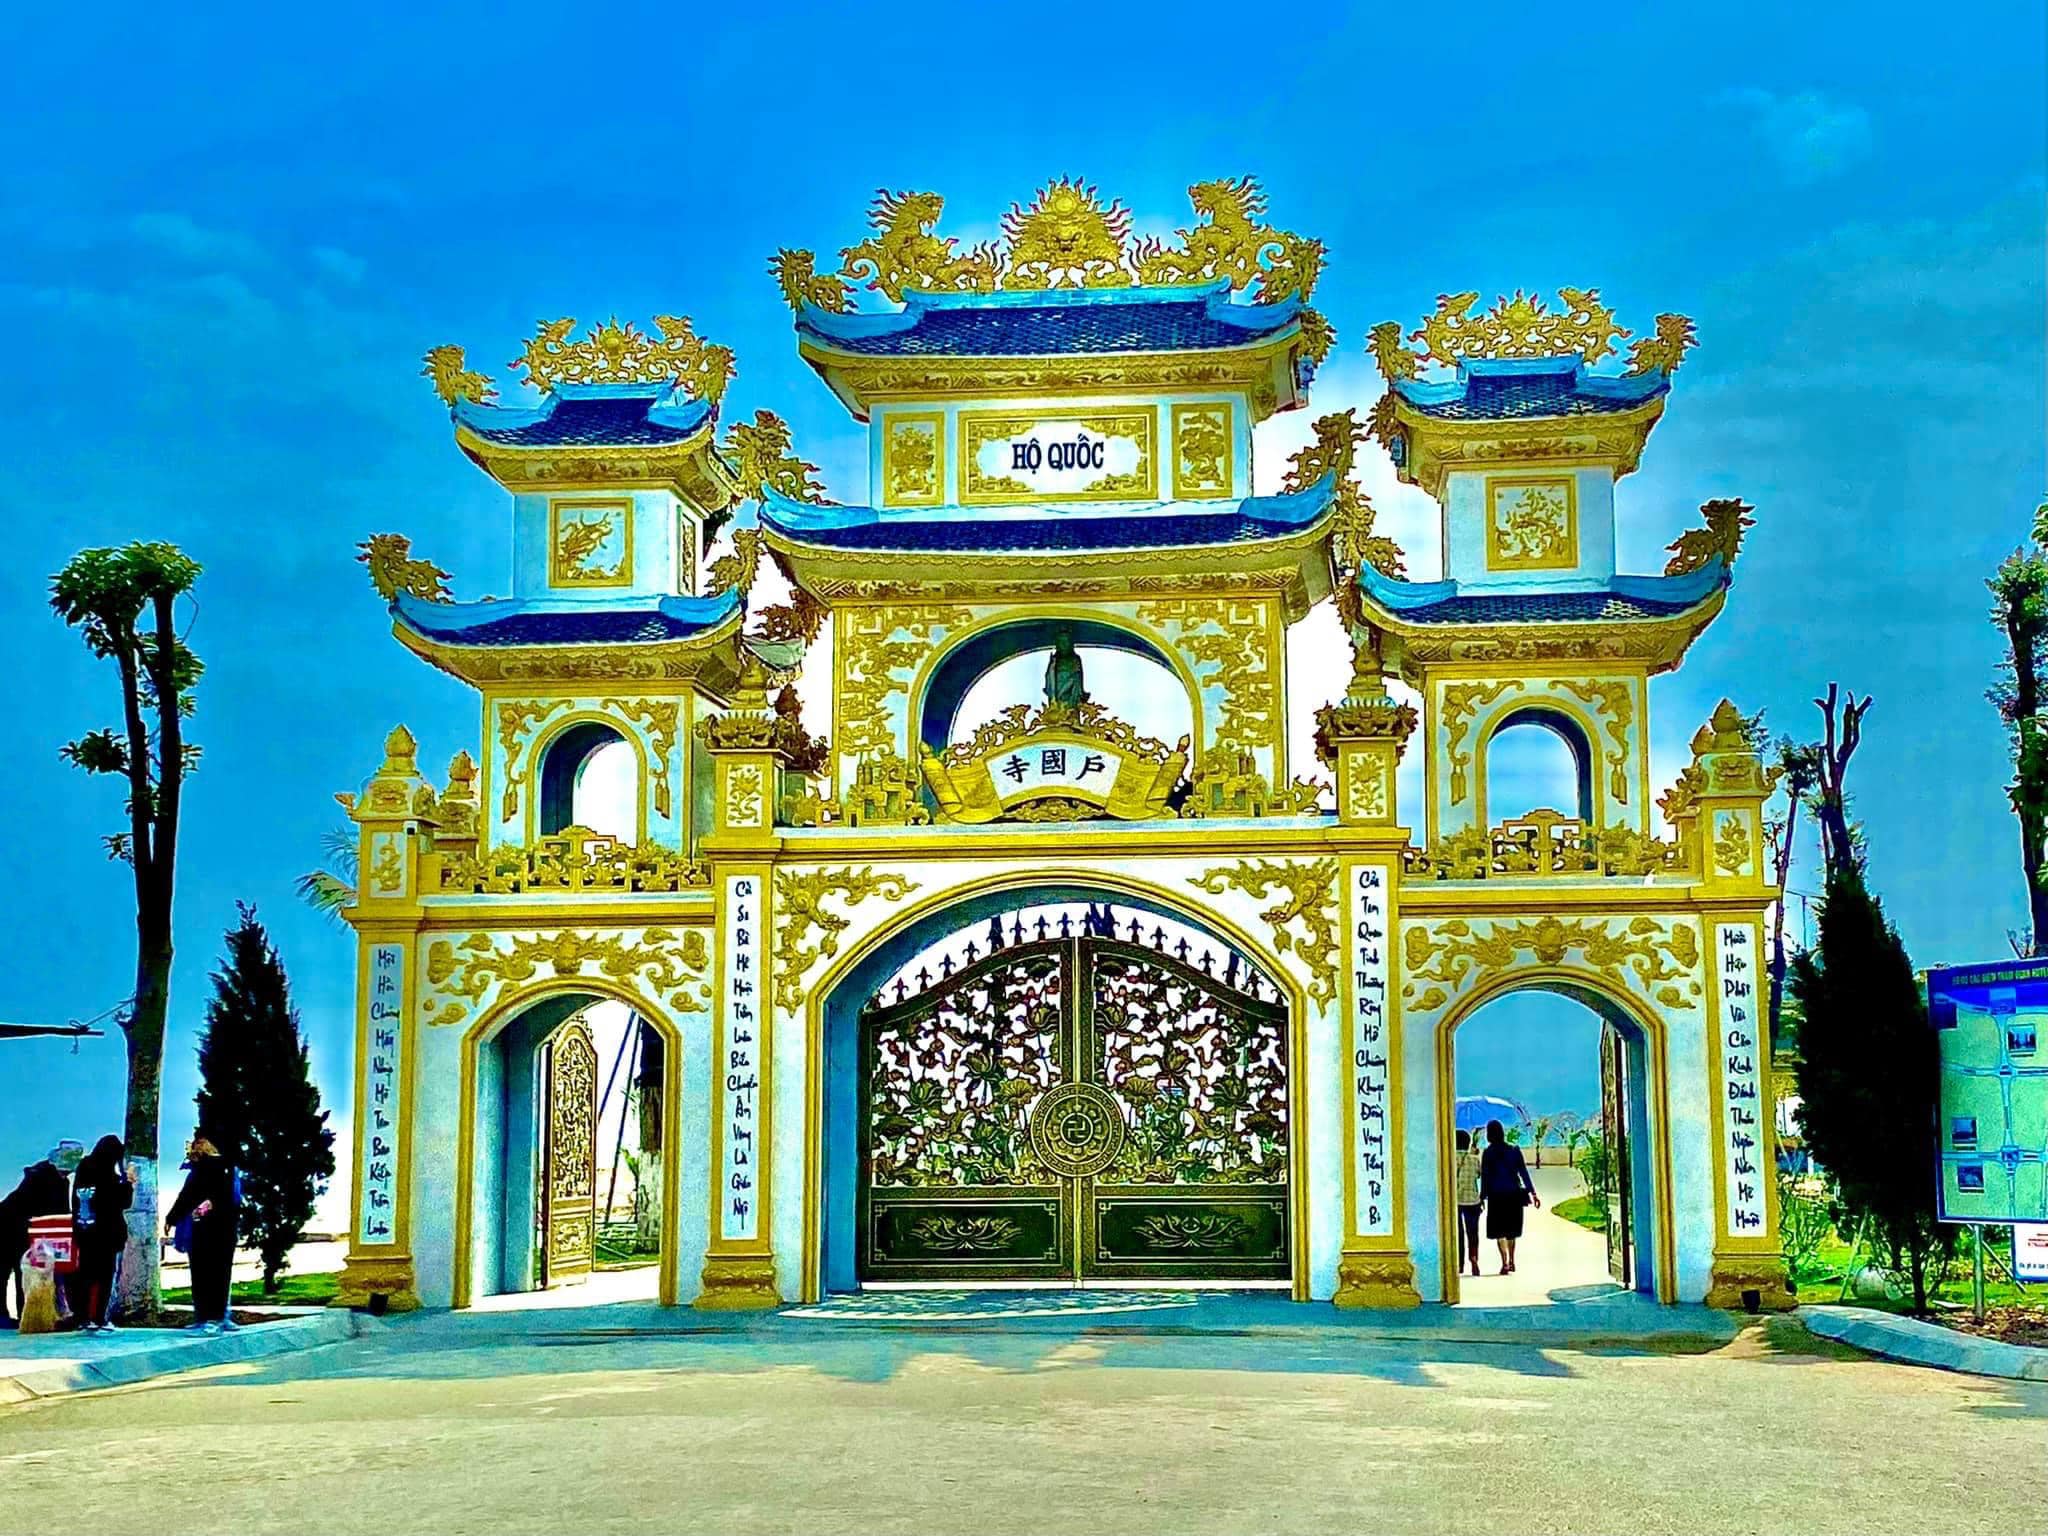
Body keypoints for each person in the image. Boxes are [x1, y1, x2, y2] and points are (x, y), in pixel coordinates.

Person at [164, 1134, 240, 1333]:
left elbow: (186, 1197)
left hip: (204, 1230)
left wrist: (170, 1219)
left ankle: (205, 1318)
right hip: (227, 1230)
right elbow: (233, 1200)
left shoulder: (201, 1172)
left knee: (201, 1275)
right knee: (221, 1274)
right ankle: (219, 1317)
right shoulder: (228, 1169)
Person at [69, 1136, 134, 1333]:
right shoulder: (109, 1178)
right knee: (105, 1276)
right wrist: (128, 1180)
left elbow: (77, 1202)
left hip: (85, 1231)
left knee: (85, 1276)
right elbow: (123, 1202)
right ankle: (99, 1318)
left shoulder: (83, 1172)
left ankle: (81, 1317)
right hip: (107, 1235)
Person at [0, 1156, 73, 1328]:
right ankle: (17, 1317)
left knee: (18, 1273)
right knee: (15, 1272)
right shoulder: (45, 1178)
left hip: (22, 1228)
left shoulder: (55, 1178)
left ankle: (21, 1316)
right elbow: (53, 1210)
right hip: (11, 1228)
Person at [1478, 1118, 1539, 1275]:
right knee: (1512, 1230)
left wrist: (1482, 1196)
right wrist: (1533, 1192)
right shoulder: (1514, 1150)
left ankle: (1504, 1262)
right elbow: (1523, 1173)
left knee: (1500, 1231)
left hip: (1496, 1196)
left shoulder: (1488, 1153)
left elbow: (1485, 1177)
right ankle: (1512, 1260)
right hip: (1514, 1195)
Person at [1453, 1128, 1484, 1278]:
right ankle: (1474, 1258)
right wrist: (1473, 1154)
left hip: (1455, 1201)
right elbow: (1479, 1175)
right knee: (1473, 1232)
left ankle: (1459, 1264)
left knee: (1458, 1233)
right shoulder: (1474, 1160)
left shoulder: (1449, 1158)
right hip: (1473, 1200)